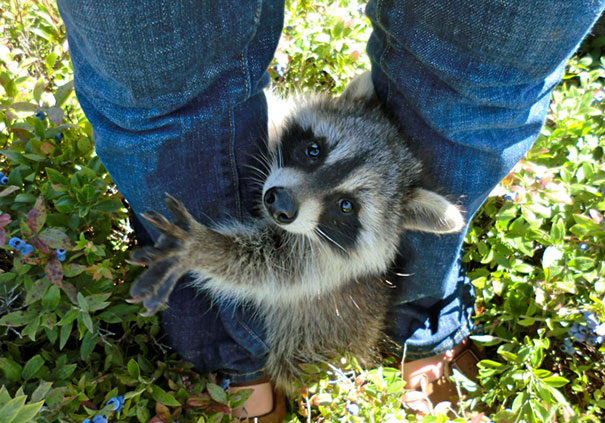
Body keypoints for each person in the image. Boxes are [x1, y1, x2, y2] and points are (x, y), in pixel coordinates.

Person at [57, 0, 605, 420]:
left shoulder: (350, 246)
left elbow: (266, 265)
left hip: (313, 321)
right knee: (160, 73)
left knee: (481, 72)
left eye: (343, 204)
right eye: (313, 152)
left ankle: (418, 312)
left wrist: (201, 249)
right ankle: (223, 346)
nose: (294, 190)